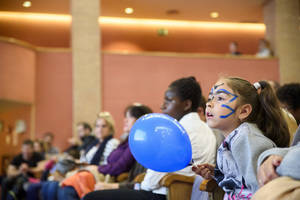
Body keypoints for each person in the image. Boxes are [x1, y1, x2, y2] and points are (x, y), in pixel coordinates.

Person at [84, 76, 217, 200]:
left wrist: (143, 184)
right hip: (178, 192)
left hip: (165, 194)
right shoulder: (204, 128)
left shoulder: (179, 130)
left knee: (91, 197)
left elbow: (152, 180)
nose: (162, 106)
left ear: (187, 104)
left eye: (168, 100)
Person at [192, 78, 290, 199]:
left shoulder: (246, 139)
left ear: (243, 111)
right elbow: (238, 182)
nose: (209, 104)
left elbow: (259, 188)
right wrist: (216, 173)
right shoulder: (233, 138)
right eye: (210, 98)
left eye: (220, 98)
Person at [57, 104, 153, 199]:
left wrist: (98, 169)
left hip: (112, 177)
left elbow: (122, 167)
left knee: (72, 189)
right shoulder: (125, 141)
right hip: (114, 177)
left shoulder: (133, 143)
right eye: (97, 126)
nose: (125, 120)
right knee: (58, 186)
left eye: (130, 117)